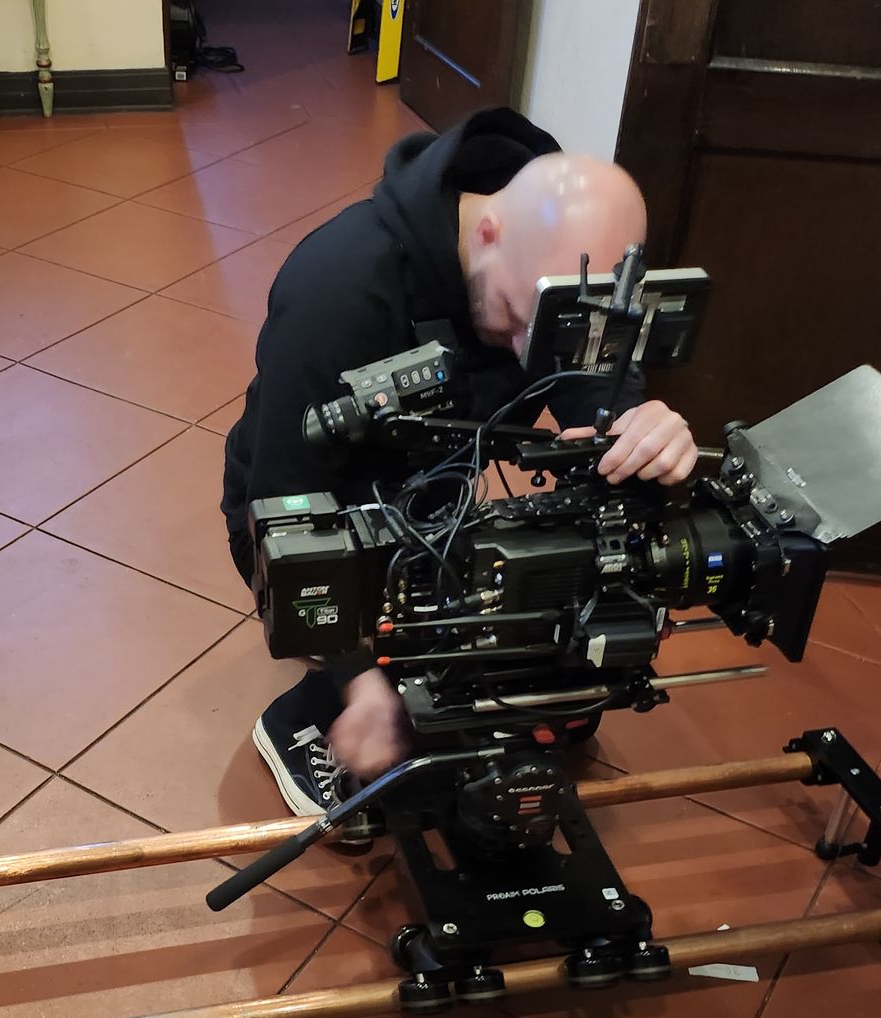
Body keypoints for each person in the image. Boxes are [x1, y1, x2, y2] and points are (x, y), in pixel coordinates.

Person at [221, 107, 697, 817]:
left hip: (438, 498)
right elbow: (281, 497)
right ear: (487, 234)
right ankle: (302, 719)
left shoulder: (553, 260)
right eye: (516, 318)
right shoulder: (340, 284)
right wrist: (359, 682)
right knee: (401, 668)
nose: (527, 351)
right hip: (306, 510)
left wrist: (642, 428)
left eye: (550, 326)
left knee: (557, 638)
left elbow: (595, 394)